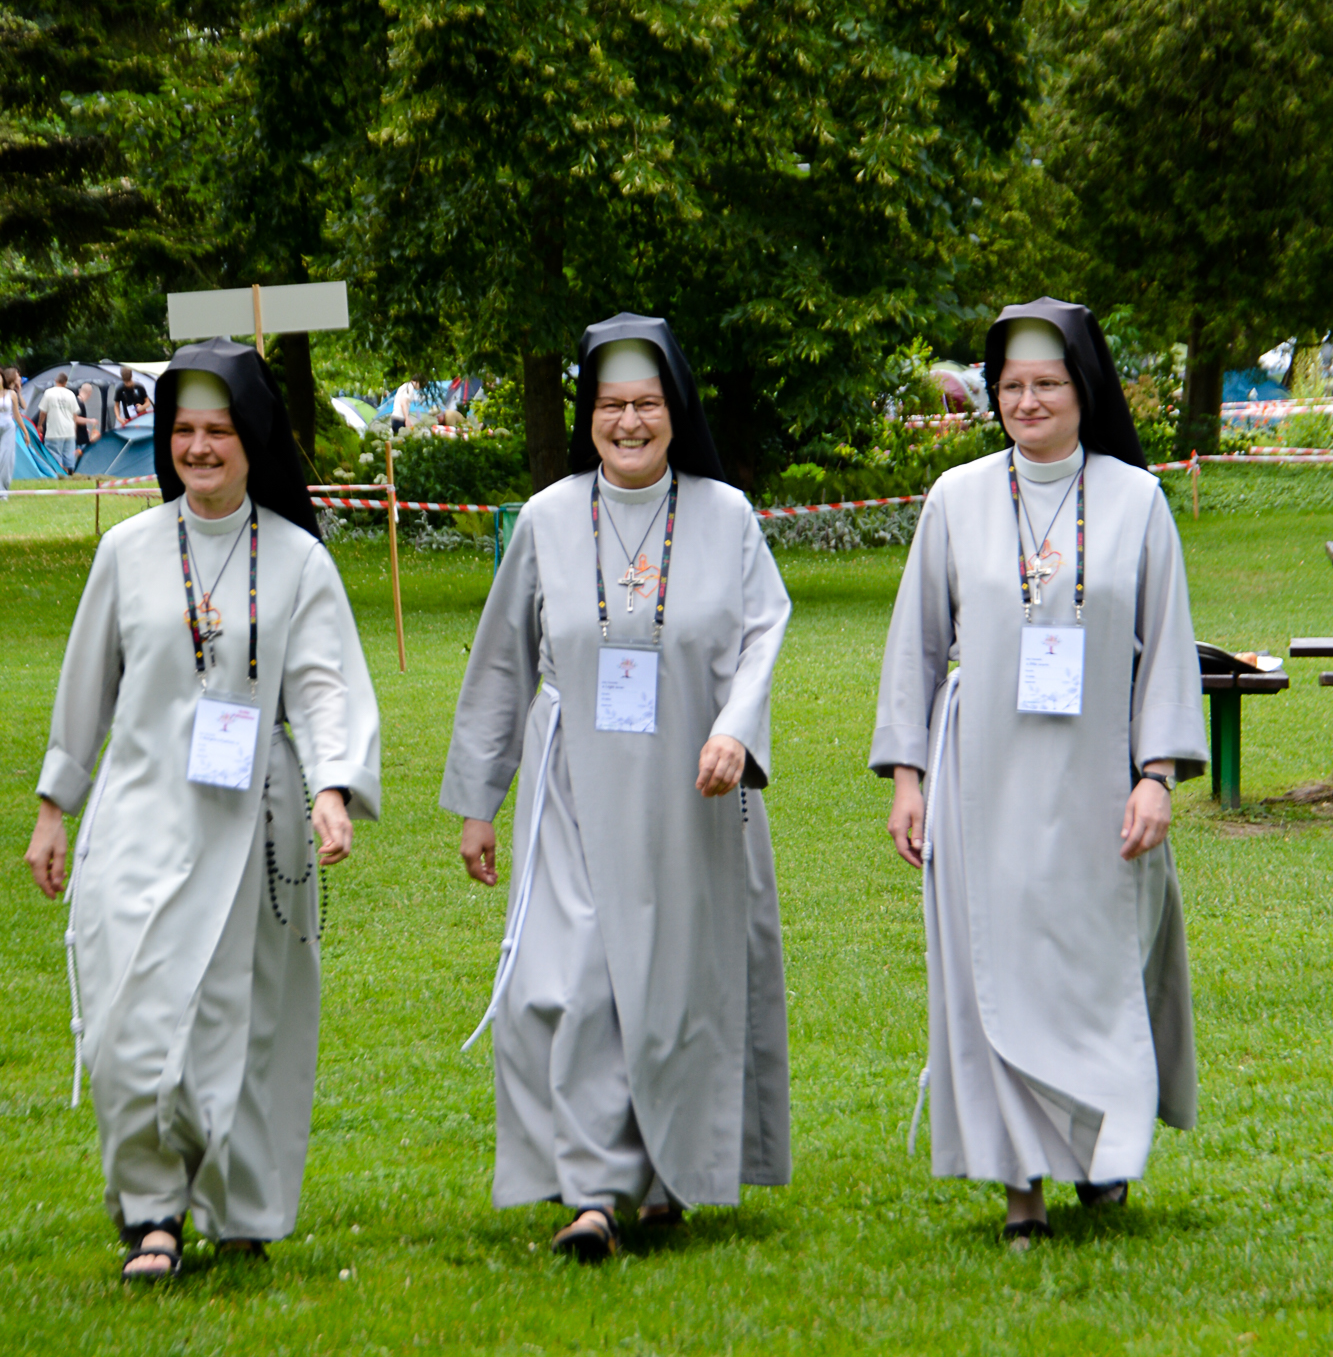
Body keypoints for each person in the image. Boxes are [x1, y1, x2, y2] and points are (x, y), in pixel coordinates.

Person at [24, 338, 381, 1282]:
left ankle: (235, 1206)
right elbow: (86, 686)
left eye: (218, 429)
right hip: (139, 814)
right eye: (183, 429)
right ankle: (151, 1209)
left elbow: (326, 686)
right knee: (126, 1022)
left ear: (252, 438)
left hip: (250, 822)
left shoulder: (298, 559)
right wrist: (55, 807)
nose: (199, 447)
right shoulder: (127, 551)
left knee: (242, 1020)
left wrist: (333, 787)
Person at [441, 313, 792, 1260]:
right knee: (572, 980)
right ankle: (593, 1191)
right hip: (574, 787)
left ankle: (666, 1177)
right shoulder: (547, 518)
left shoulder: (726, 515)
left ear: (675, 412)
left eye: (645, 404)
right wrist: (479, 800)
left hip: (692, 783)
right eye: (609, 405)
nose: (628, 422)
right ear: (586, 415)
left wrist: (735, 728)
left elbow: (763, 630)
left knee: (677, 983)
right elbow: (501, 663)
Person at [872, 297, 1208, 1247]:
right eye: (1010, 385)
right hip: (983, 778)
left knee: (1099, 963)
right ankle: (1020, 1186)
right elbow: (915, 646)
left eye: (1047, 384)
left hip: (1100, 775)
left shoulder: (1136, 500)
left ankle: (1099, 1145)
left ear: (1083, 389)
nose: (1026, 402)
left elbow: (1165, 647)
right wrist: (907, 779)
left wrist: (1155, 776)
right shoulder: (956, 497)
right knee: (996, 967)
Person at [38, 373, 81, 473]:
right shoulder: (71, 394)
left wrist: (40, 424)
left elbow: (43, 411)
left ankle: (58, 474)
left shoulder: (49, 393)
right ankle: (68, 475)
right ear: (65, 383)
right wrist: (74, 430)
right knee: (68, 457)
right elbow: (74, 415)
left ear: (55, 380)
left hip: (54, 431)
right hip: (69, 431)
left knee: (54, 456)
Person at [0, 366, 20, 499]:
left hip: (8, 428)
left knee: (6, 459)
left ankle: (3, 491)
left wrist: (26, 432)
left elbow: (17, 415)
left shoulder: (11, 394)